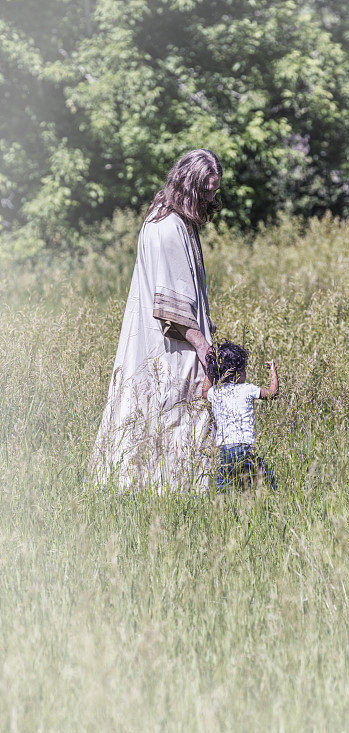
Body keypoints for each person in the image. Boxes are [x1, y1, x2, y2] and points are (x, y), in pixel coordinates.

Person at [92, 149, 222, 491]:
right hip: (172, 344)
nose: (211, 199)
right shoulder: (168, 228)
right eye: (206, 192)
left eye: (214, 192)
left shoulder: (167, 219)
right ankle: (175, 491)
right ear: (190, 185)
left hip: (166, 340)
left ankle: (144, 486)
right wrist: (205, 350)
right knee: (177, 408)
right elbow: (171, 304)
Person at [202, 340, 279, 492]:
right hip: (244, 447)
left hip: (223, 448)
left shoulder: (216, 392)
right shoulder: (247, 389)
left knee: (223, 483)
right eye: (244, 370)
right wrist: (273, 371)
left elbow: (204, 393)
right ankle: (271, 496)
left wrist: (210, 372)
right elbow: (273, 394)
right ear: (238, 372)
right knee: (266, 477)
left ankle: (222, 505)